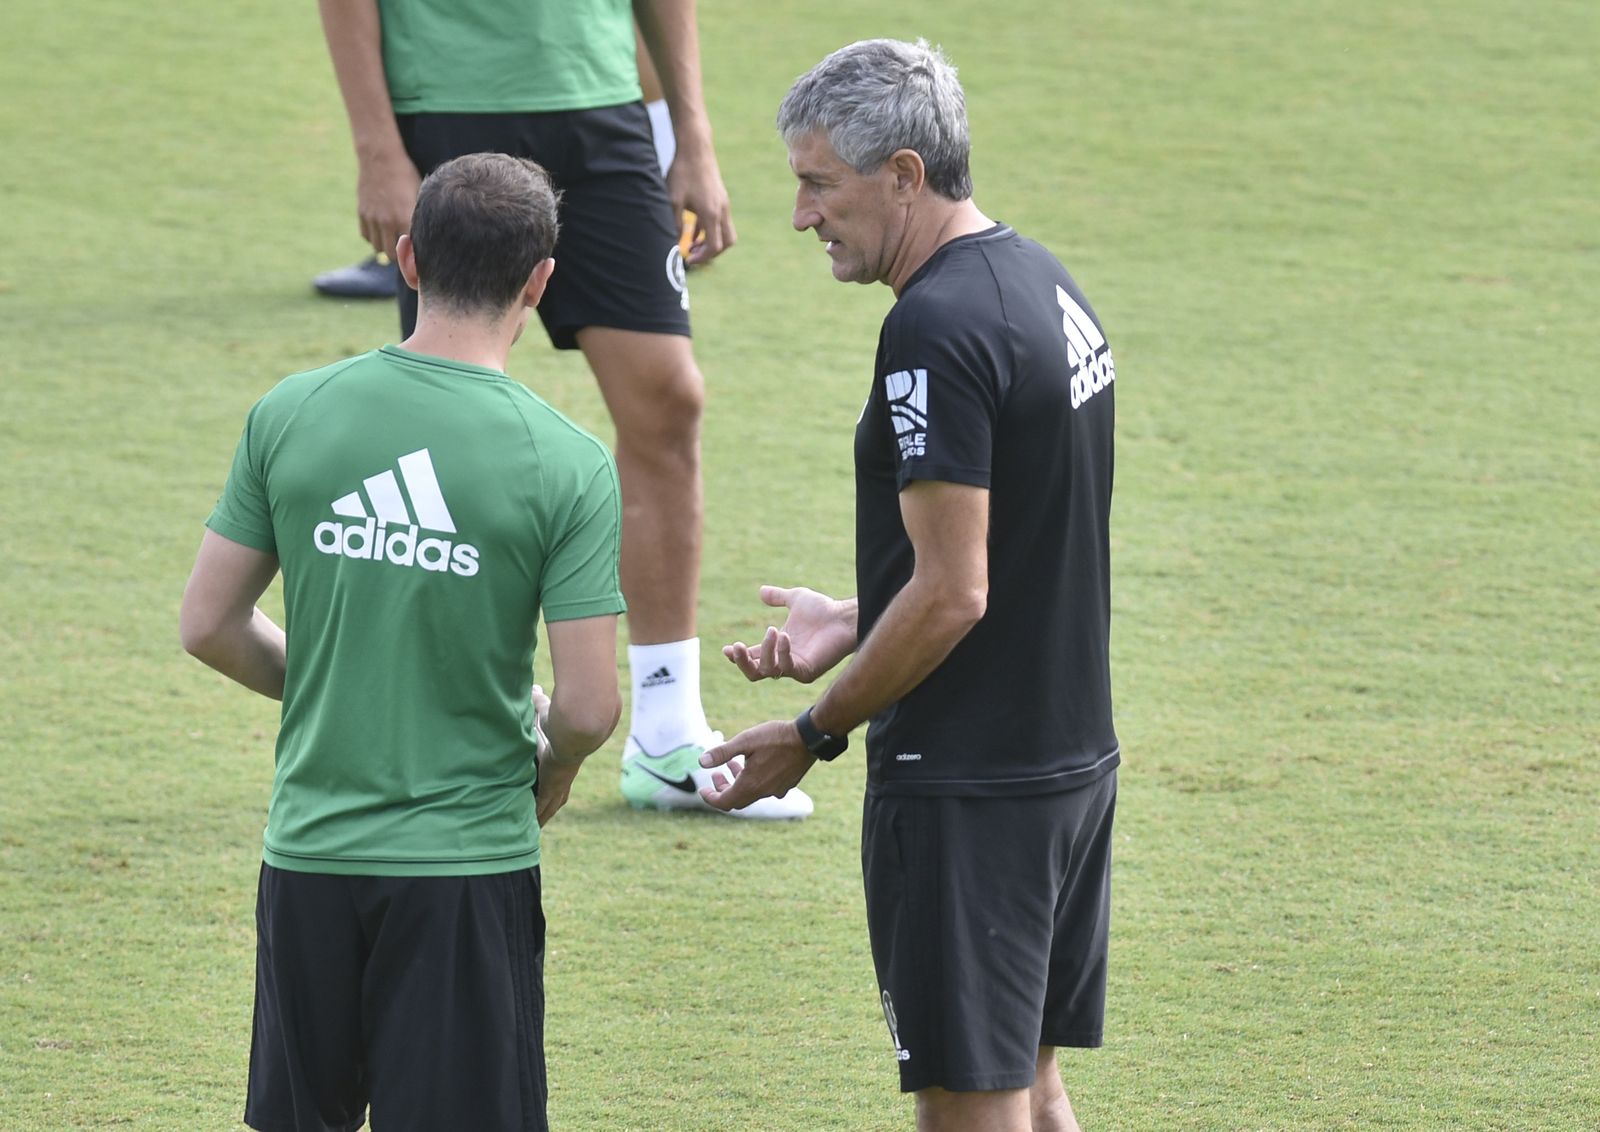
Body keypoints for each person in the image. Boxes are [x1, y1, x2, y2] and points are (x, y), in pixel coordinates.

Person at [700, 39, 1121, 1132]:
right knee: (1029, 1084)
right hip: (1064, 762)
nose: (800, 216)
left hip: (969, 786)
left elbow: (953, 593)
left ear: (902, 175)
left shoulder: (931, 328)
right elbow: (1017, 535)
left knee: (968, 1101)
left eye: (816, 183)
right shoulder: (1040, 279)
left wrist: (814, 728)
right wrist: (854, 614)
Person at [180, 153, 625, 1131]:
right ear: (540, 281)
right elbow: (590, 706)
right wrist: (554, 761)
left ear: (409, 258)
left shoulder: (289, 412)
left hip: (306, 860)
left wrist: (341, 682)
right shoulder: (567, 463)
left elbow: (208, 624)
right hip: (464, 870)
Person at [317, 0, 810, 819]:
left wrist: (693, 135)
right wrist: (377, 146)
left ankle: (665, 734)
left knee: (670, 397)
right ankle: (453, 734)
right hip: (447, 110)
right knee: (449, 421)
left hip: (601, 107)